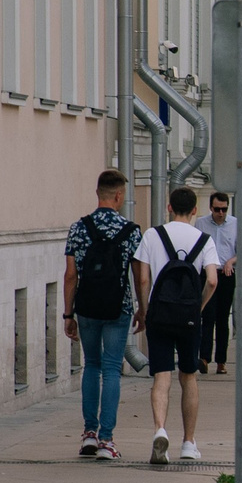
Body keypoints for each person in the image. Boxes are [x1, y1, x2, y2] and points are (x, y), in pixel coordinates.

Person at [137, 185, 222, 465]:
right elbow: (212, 280)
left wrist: (146, 310)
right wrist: (198, 307)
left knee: (162, 376)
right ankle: (188, 442)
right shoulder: (204, 239)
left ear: (169, 207)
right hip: (188, 318)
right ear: (196, 210)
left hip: (159, 315)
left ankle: (160, 429)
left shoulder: (152, 234)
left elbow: (143, 280)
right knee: (189, 377)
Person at [63, 169, 143, 459]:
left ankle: (89, 434)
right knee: (111, 369)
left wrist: (67, 314)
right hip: (118, 307)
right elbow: (139, 275)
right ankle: (107, 441)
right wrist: (142, 308)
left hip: (87, 307)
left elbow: (70, 275)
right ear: (119, 195)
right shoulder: (132, 231)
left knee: (92, 365)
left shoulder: (79, 228)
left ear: (98, 193)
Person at [198, 191, 239, 373]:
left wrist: (231, 261)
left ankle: (221, 361)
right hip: (207, 273)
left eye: (223, 209)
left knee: (222, 318)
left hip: (226, 273)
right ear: (210, 207)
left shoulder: (235, 224)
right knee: (207, 315)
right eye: (217, 209)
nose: (220, 213)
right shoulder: (201, 223)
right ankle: (204, 358)